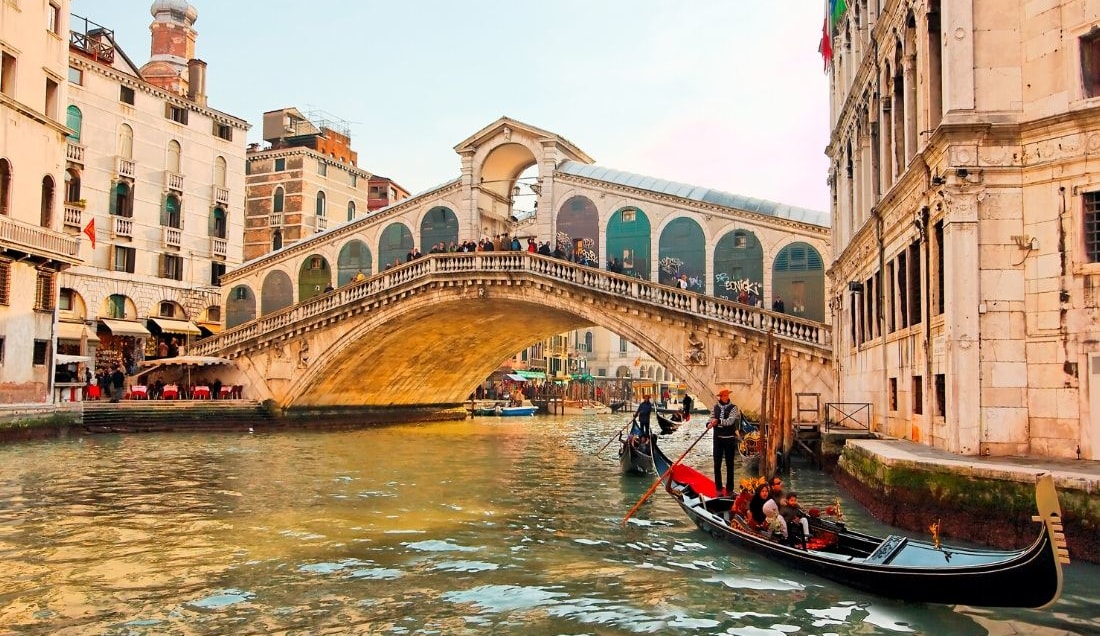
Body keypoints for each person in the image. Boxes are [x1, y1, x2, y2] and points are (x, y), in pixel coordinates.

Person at [706, 388, 741, 497]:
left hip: (729, 439)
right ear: (720, 397)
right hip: (717, 439)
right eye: (723, 395)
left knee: (730, 465)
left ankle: (730, 489)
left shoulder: (734, 408)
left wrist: (719, 421)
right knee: (717, 464)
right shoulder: (715, 407)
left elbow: (730, 421)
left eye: (726, 395)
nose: (725, 397)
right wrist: (709, 424)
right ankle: (719, 488)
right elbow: (711, 418)